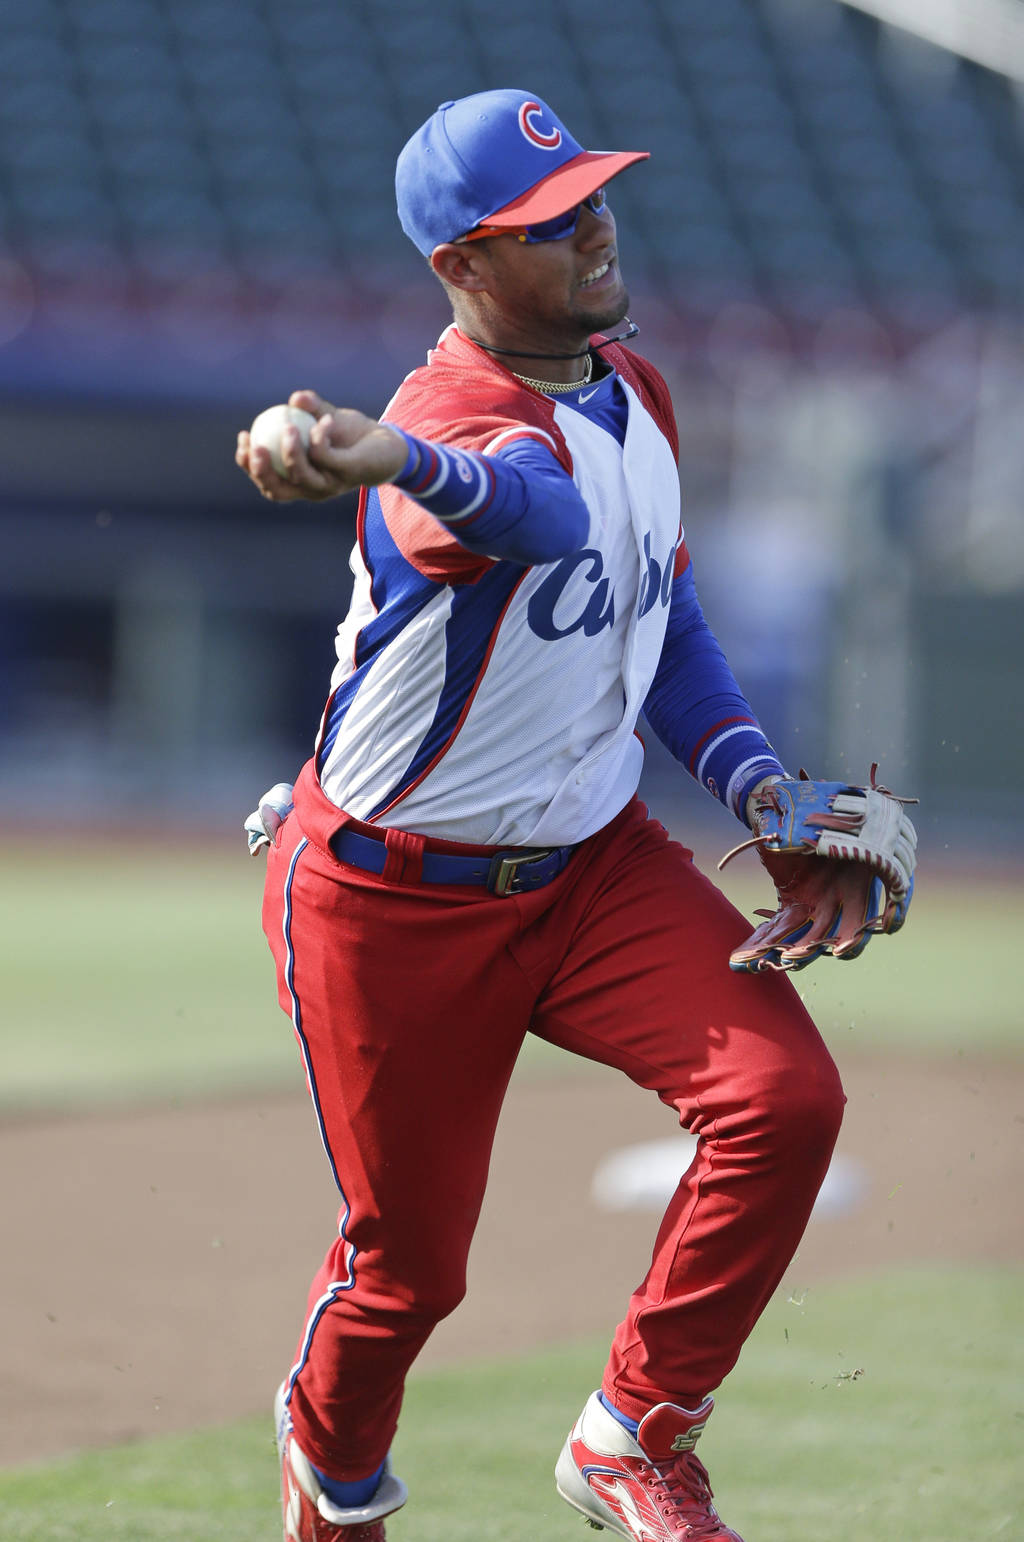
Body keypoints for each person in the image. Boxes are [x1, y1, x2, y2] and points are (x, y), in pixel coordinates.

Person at [236, 89, 916, 1542]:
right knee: (406, 1270)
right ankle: (332, 1485)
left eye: (595, 197)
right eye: (551, 223)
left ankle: (634, 1433)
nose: (596, 228)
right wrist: (389, 459)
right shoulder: (443, 424)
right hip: (392, 897)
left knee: (782, 1100)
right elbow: (517, 510)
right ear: (463, 268)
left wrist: (755, 784)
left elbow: (661, 620)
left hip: (596, 865)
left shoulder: (635, 387)